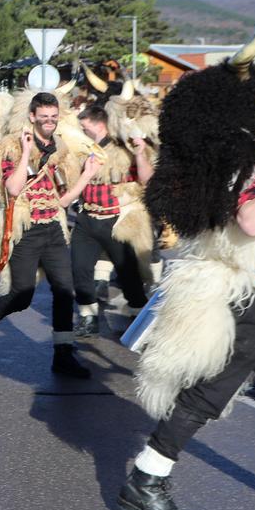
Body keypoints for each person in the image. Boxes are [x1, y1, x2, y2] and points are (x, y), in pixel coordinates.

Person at [118, 0, 255, 510]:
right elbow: (249, 222)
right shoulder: (254, 166)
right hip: (245, 296)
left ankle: (146, 478)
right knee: (208, 396)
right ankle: (146, 480)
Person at [0, 92, 97, 379]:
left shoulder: (61, 149)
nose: (49, 121)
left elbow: (62, 200)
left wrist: (85, 177)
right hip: (24, 228)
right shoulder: (12, 146)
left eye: (53, 116)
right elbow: (12, 188)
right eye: (43, 117)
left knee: (64, 291)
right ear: (32, 116)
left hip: (53, 228)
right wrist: (25, 154)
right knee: (21, 295)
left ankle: (63, 356)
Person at [71, 103, 154, 337]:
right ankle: (88, 317)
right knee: (80, 270)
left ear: (99, 125)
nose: (82, 132)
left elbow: (147, 180)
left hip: (115, 221)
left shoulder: (122, 151)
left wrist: (139, 154)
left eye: (85, 127)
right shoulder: (82, 150)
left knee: (129, 275)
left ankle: (139, 318)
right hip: (86, 218)